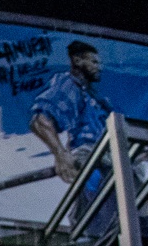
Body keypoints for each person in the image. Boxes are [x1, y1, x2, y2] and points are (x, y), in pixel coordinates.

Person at [31, 39, 109, 184]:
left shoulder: (95, 97)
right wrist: (61, 155)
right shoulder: (69, 84)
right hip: (89, 160)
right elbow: (40, 121)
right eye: (94, 62)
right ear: (77, 61)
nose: (99, 67)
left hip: (109, 158)